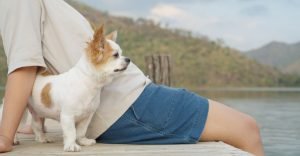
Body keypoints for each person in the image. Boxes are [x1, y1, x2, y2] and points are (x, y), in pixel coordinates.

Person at [0, 0, 264, 155]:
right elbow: (24, 68)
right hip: (128, 104)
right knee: (246, 127)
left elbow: (35, 68)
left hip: (121, 99)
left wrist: (34, 122)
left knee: (244, 126)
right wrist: (5, 136)